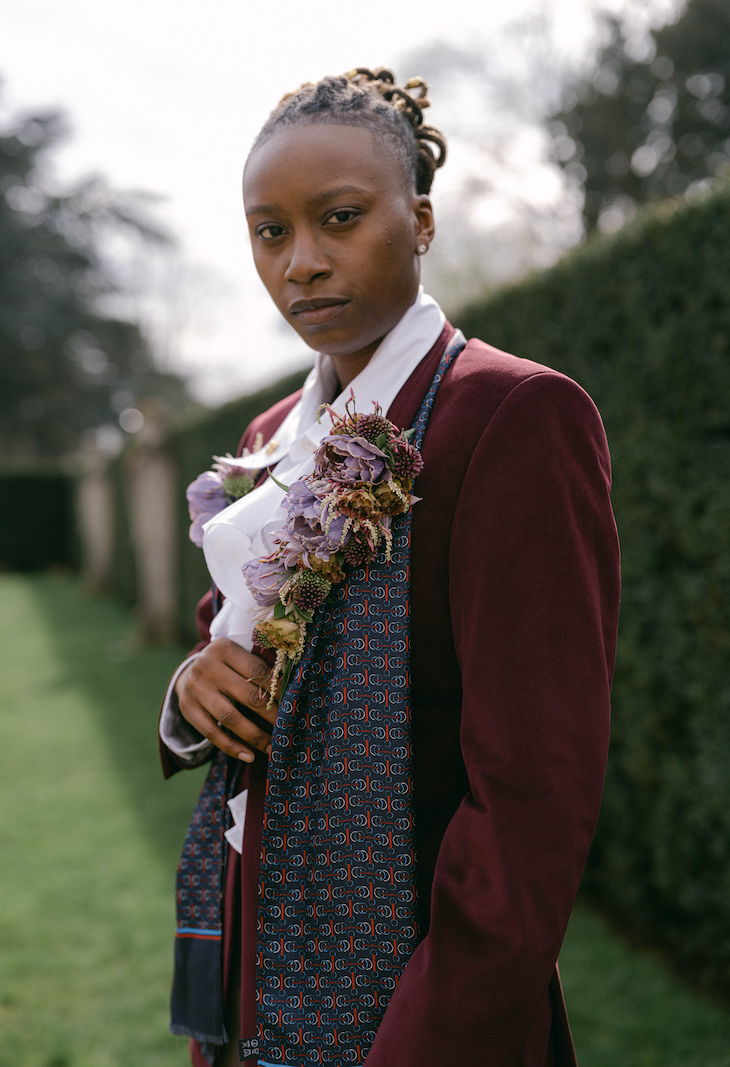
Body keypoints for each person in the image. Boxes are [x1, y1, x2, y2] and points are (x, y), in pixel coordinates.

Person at [159, 68, 620, 1067]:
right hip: (252, 982)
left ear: (417, 221)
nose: (302, 264)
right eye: (269, 232)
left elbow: (530, 803)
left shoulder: (513, 417)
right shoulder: (272, 435)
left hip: (424, 1008)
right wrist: (194, 682)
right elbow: (224, 636)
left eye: (338, 218)